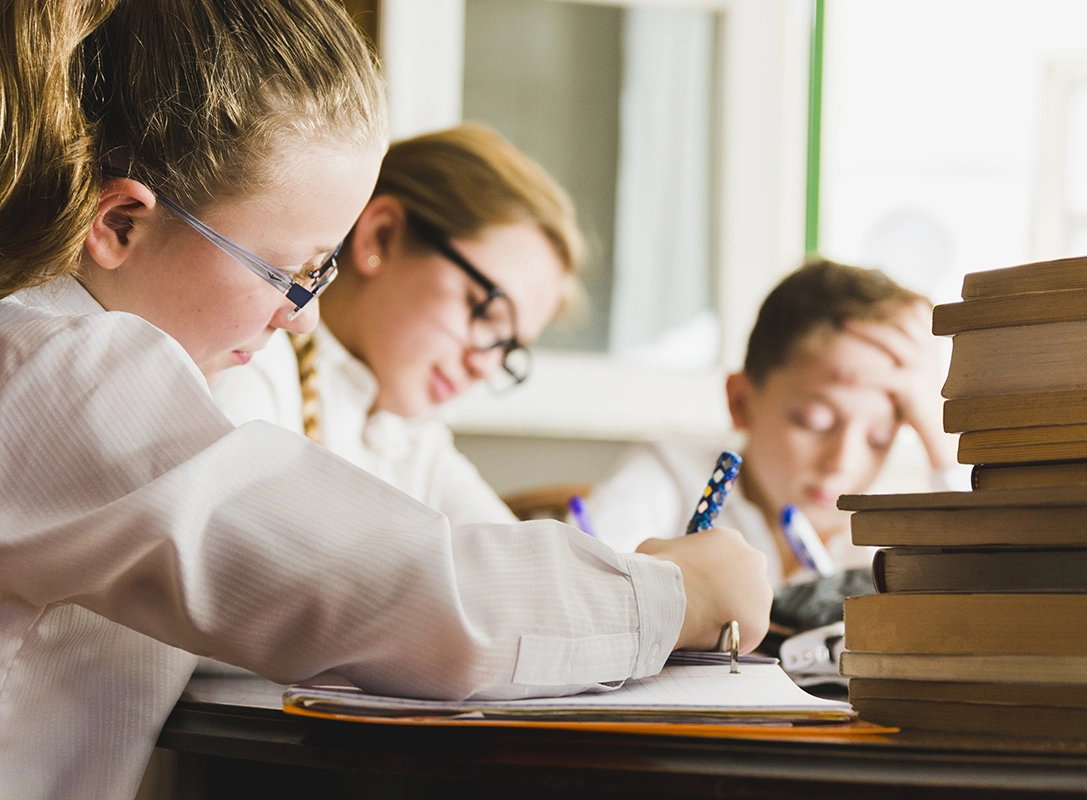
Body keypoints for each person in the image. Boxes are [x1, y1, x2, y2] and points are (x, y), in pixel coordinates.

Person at [0, 2, 772, 796]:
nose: (297, 313)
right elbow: (387, 590)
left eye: (316, 275)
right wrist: (670, 598)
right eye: (286, 272)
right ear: (120, 221)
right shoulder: (52, 367)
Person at [211, 124, 583, 526]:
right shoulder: (250, 362)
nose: (485, 366)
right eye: (484, 312)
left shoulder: (411, 438)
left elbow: (518, 562)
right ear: (382, 237)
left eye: (507, 348)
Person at [587, 258, 970, 588]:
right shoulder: (673, 473)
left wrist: (942, 442)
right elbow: (584, 584)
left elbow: (986, 602)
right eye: (814, 422)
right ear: (741, 401)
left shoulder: (889, 545)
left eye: (878, 438)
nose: (843, 462)